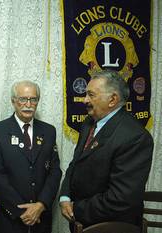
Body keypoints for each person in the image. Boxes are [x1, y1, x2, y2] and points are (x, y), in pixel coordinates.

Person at [59, 69, 154, 230]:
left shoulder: (135, 137)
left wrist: (76, 208)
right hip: (82, 223)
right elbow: (76, 163)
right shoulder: (89, 122)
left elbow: (121, 199)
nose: (84, 100)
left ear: (112, 100)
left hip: (112, 226)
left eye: (91, 95)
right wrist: (65, 196)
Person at [0, 80, 62, 233]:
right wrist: (21, 212)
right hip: (9, 220)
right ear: (13, 101)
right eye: (23, 99)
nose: (28, 104)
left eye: (33, 99)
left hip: (41, 218)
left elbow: (55, 172)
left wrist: (41, 205)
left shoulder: (49, 131)